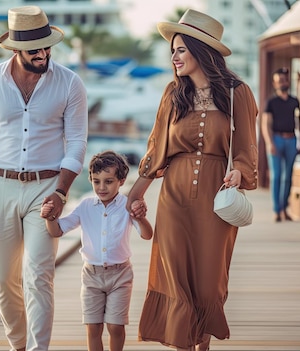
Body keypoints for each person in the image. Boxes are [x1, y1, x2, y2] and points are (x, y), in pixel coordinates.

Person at [125, 9, 258, 351]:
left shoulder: (237, 93)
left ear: (202, 51)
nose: (174, 56)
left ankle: (202, 343)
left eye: (181, 49)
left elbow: (247, 147)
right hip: (174, 200)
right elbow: (157, 149)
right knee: (175, 275)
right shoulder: (173, 94)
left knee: (209, 279)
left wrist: (240, 171)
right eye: (173, 50)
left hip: (218, 199)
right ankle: (186, 342)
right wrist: (135, 193)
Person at [0, 6, 88, 351]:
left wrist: (62, 192)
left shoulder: (70, 83)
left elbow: (77, 142)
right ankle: (18, 345)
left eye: (47, 46)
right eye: (34, 49)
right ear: (15, 49)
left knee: (38, 275)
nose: (43, 54)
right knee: (4, 280)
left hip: (47, 188)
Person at [41, 150, 153, 351]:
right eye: (96, 181)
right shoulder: (85, 206)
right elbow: (58, 230)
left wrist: (140, 216)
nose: (102, 187)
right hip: (91, 276)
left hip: (120, 275)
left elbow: (147, 235)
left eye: (108, 181)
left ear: (122, 180)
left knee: (115, 326)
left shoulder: (127, 206)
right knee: (93, 327)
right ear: (90, 179)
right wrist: (50, 218)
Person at [261, 67, 300, 222]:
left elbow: (299, 123)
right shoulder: (271, 102)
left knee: (288, 177)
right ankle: (277, 210)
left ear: (288, 81)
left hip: (291, 139)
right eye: (279, 81)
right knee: (277, 176)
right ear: (274, 83)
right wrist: (269, 143)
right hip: (276, 140)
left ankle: (285, 208)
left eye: (284, 80)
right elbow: (266, 124)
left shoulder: (294, 101)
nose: (282, 83)